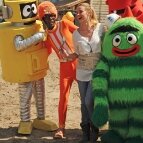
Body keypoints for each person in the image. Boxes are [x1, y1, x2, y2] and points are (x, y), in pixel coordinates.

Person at [0, 0, 58, 134]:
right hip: (24, 68)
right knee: (25, 95)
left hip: (38, 65)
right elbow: (19, 45)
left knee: (40, 94)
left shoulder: (37, 24)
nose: (31, 12)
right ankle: (25, 120)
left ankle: (40, 118)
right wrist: (38, 36)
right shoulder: (13, 29)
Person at [37, 1, 78, 139]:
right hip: (64, 68)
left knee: (88, 96)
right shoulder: (48, 37)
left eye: (53, 15)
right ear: (42, 19)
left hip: (79, 64)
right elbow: (45, 51)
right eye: (47, 16)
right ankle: (61, 128)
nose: (52, 18)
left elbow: (80, 33)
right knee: (63, 98)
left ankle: (91, 125)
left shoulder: (65, 24)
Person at [66, 2, 105, 142]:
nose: (77, 15)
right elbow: (77, 52)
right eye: (76, 13)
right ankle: (86, 133)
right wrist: (72, 56)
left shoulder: (100, 28)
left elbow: (105, 47)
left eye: (80, 11)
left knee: (89, 101)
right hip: (82, 71)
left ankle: (94, 127)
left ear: (88, 12)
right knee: (83, 103)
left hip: (97, 71)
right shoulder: (75, 34)